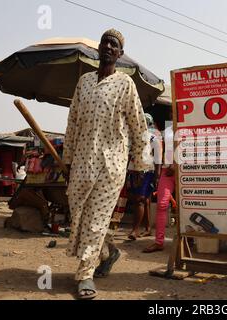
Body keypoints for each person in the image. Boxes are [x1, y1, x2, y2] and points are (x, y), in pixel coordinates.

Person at [63, 28, 150, 300]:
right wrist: (67, 159)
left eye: (114, 45)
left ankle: (85, 275)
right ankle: (108, 252)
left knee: (97, 220)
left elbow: (138, 126)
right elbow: (73, 122)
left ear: (120, 54)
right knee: (78, 215)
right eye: (105, 43)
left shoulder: (125, 84)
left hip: (111, 164)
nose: (109, 47)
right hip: (81, 162)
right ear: (98, 49)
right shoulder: (84, 82)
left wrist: (139, 165)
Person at [127, 113, 162, 240]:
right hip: (133, 171)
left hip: (147, 171)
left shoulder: (153, 138)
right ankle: (147, 228)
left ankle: (135, 230)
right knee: (143, 200)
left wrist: (157, 177)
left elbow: (158, 158)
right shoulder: (132, 137)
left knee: (140, 200)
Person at [143, 123, 175, 253]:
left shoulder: (189, 127)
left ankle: (188, 239)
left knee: (188, 206)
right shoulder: (167, 130)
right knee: (162, 205)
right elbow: (161, 151)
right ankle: (159, 242)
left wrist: (176, 163)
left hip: (186, 171)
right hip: (167, 171)